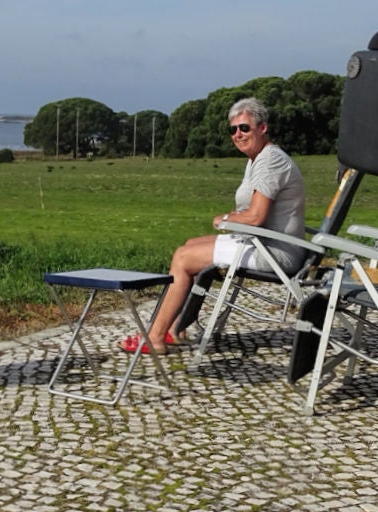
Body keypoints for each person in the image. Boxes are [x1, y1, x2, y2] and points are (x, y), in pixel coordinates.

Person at [124, 96, 306, 355]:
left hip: (275, 253)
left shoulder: (270, 161)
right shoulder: (257, 159)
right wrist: (234, 218)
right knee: (190, 246)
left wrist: (225, 220)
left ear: (263, 128)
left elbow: (256, 217)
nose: (238, 134)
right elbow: (252, 211)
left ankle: (155, 337)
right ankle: (176, 328)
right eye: (233, 130)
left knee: (184, 258)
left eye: (244, 128)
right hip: (262, 242)